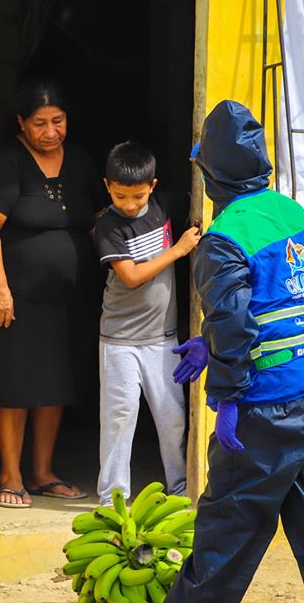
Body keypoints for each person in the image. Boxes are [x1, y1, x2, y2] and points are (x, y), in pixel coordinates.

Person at [165, 101, 304, 602]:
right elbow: (279, 300)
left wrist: (227, 397)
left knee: (227, 531)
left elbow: (234, 324)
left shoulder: (223, 239)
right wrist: (211, 342)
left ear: (211, 175)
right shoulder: (290, 211)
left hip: (269, 406)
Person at [0, 81, 105, 508]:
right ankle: (10, 474)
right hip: (19, 299)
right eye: (40, 123)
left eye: (58, 121)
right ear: (21, 122)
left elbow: (99, 220)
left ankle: (42, 472)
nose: (50, 131)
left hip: (70, 298)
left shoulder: (80, 159)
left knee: (56, 383)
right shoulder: (9, 160)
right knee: (17, 384)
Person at [93, 141, 200, 506]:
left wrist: (201, 160)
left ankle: (180, 487)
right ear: (107, 186)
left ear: (152, 186)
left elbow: (203, 196)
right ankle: (112, 497)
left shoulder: (164, 206)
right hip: (119, 340)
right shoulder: (108, 225)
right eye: (120, 196)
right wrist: (179, 250)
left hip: (163, 339)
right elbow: (131, 277)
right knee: (120, 417)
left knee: (173, 417)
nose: (129, 204)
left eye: (138, 196)